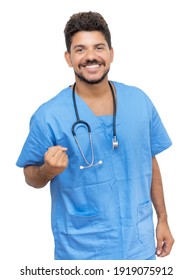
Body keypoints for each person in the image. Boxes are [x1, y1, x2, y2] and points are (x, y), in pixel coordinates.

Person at [16, 11, 174, 260]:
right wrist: (47, 170)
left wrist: (163, 219)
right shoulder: (49, 115)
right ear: (68, 58)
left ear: (111, 53)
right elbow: (30, 177)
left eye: (98, 47)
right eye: (80, 50)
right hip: (81, 253)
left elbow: (149, 160)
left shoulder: (139, 102)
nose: (91, 56)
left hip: (139, 248)